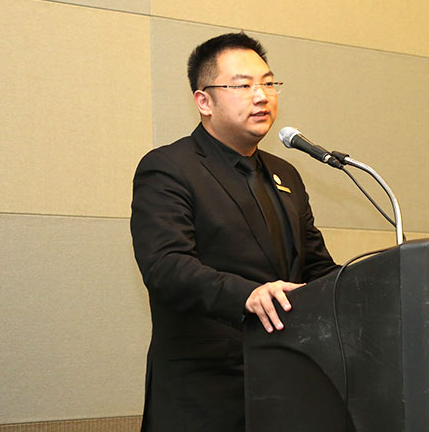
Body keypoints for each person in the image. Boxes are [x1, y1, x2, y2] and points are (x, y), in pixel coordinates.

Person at [131, 32, 339, 431]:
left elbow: (316, 268)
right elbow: (166, 267)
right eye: (243, 86)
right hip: (204, 395)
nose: (261, 96)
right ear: (204, 102)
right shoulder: (169, 168)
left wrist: (376, 286)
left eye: (268, 83)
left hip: (286, 386)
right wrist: (248, 295)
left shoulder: (286, 173)